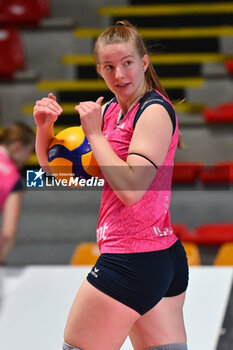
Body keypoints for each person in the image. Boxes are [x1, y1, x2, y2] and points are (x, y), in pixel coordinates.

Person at [33, 21, 189, 350]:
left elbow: (132, 189)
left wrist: (93, 134)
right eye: (109, 67)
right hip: (154, 256)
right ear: (99, 70)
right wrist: (44, 130)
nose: (119, 75)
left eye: (127, 63)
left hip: (132, 259)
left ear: (144, 62)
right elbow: (59, 174)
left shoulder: (155, 111)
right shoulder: (113, 111)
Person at [0, 121, 35, 265]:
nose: (28, 158)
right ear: (17, 146)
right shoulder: (13, 179)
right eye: (29, 151)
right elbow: (8, 233)